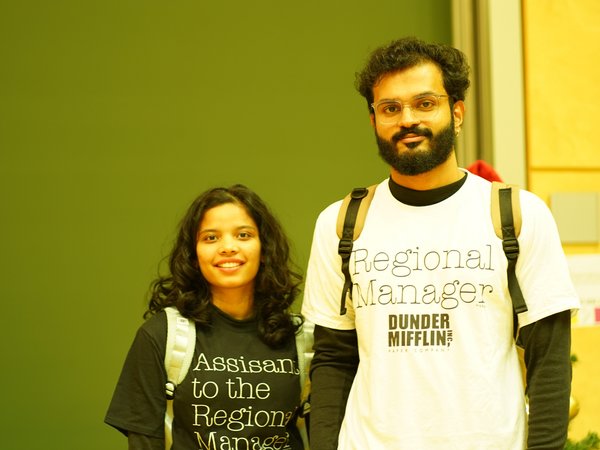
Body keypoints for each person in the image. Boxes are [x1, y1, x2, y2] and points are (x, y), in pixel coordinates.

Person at [301, 37, 580, 450]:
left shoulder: (516, 215)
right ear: (374, 119)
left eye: (425, 103)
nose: (407, 119)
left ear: (457, 112)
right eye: (390, 108)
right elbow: (333, 362)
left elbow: (549, 362)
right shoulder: (341, 224)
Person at [105, 184, 306, 449]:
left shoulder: (304, 340)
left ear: (264, 248)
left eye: (243, 235)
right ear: (193, 253)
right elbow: (144, 441)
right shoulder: (162, 335)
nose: (228, 247)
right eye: (211, 238)